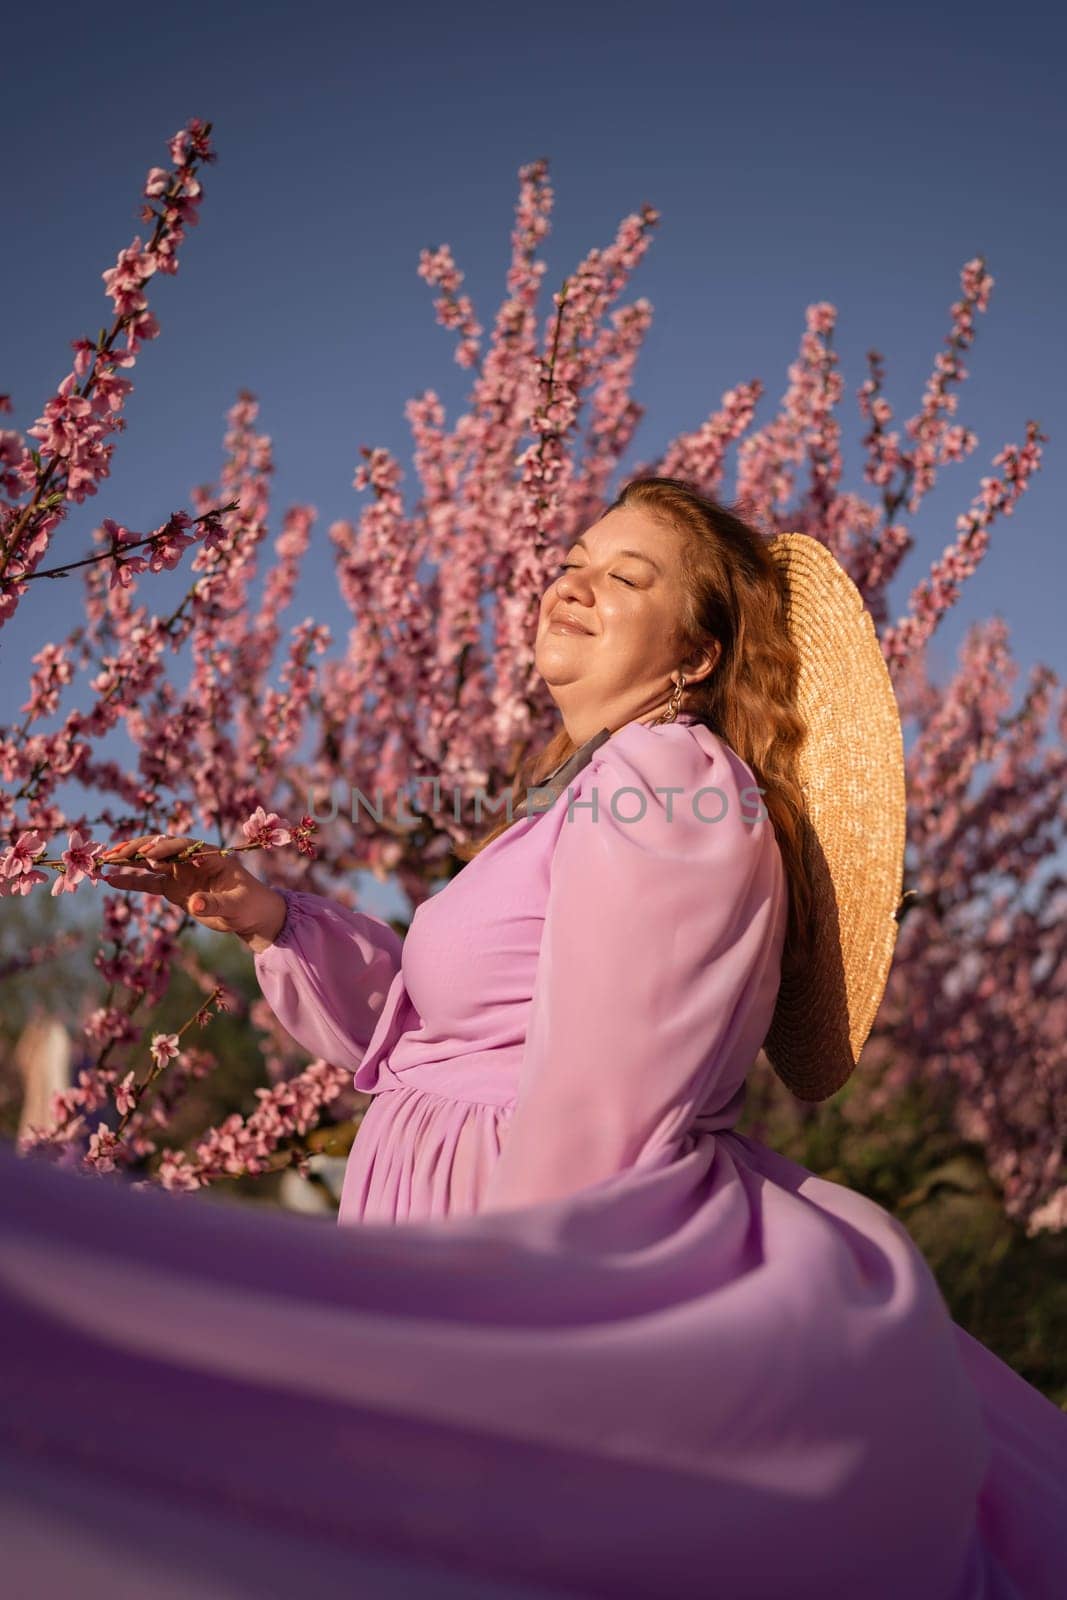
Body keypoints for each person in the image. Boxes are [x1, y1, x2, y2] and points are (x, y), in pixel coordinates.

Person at [5, 476, 1065, 1598]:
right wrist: (267, 915)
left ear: (696, 655)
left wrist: (515, 1326)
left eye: (627, 577)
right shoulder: (591, 794)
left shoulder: (665, 781)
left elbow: (609, 1088)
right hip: (456, 1211)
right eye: (572, 559)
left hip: (517, 1221)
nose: (575, 583)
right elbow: (436, 1035)